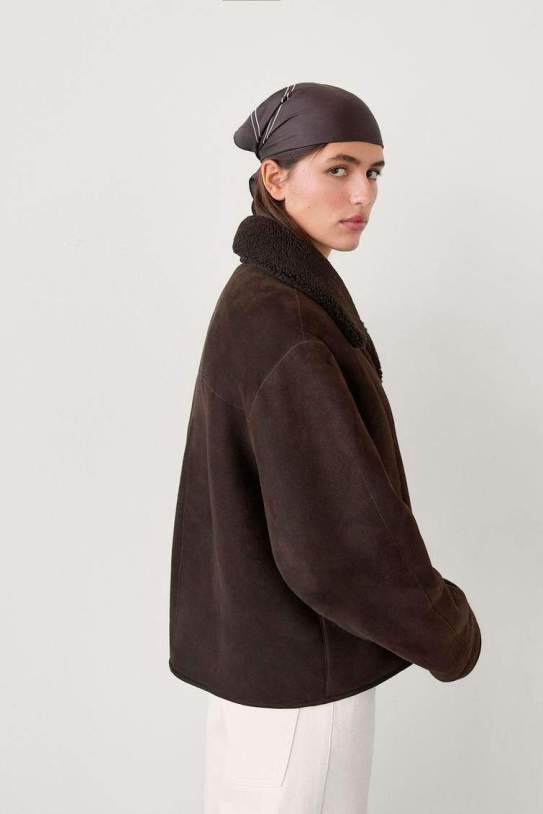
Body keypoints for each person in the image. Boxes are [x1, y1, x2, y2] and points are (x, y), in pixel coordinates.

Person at [168, 82, 482, 813]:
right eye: (337, 168)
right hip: (301, 696)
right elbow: (336, 545)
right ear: (275, 178)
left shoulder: (263, 295)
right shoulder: (289, 321)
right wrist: (447, 628)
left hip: (265, 677)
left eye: (373, 172)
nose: (361, 194)